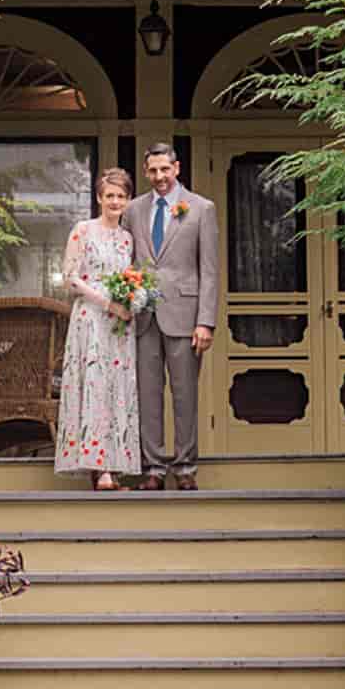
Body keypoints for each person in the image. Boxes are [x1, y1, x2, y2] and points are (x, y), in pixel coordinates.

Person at [126, 143, 220, 491]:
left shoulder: (201, 208)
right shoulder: (134, 210)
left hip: (186, 315)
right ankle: (152, 468)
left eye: (165, 169)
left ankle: (184, 467)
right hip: (144, 316)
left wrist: (205, 321)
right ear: (146, 171)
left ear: (177, 168)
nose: (159, 177)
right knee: (148, 395)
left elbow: (209, 270)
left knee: (184, 395)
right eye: (152, 171)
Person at [54, 168, 143, 490]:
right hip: (91, 320)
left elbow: (129, 278)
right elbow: (70, 278)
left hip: (119, 325)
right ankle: (98, 468)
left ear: (128, 200)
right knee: (93, 386)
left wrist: (132, 299)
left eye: (121, 196)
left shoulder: (126, 238)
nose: (115, 201)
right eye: (110, 196)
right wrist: (107, 303)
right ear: (99, 198)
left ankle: (115, 465)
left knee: (117, 391)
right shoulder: (83, 230)